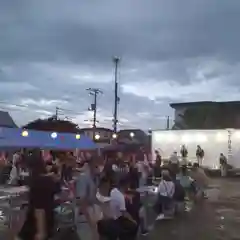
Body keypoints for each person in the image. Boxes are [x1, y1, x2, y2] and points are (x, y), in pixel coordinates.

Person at [18, 150, 56, 240]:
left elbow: (39, 209)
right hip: (49, 218)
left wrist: (41, 231)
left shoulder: (37, 183)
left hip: (35, 224)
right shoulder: (48, 180)